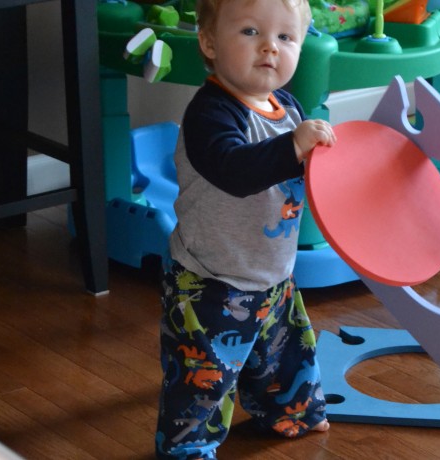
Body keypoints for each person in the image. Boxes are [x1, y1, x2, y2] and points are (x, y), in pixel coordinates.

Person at [156, 0, 336, 458]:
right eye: (252, 32)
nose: (270, 49)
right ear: (210, 43)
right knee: (205, 375)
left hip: (273, 273)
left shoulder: (290, 109)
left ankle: (291, 410)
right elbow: (235, 170)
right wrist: (293, 146)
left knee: (284, 356)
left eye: (285, 37)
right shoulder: (210, 113)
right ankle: (189, 445)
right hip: (210, 281)